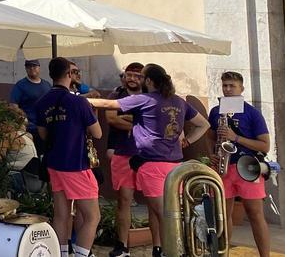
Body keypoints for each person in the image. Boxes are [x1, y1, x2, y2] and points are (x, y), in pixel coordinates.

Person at [87, 63, 211, 257]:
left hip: (152, 163)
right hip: (174, 165)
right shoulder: (178, 101)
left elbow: (108, 106)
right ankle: (169, 250)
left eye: (142, 76)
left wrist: (79, 100)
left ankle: (175, 251)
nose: (139, 79)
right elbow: (203, 124)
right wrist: (187, 141)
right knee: (170, 211)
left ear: (150, 81)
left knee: (164, 214)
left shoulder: (145, 99)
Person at [35, 57, 102, 257]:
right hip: (76, 163)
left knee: (61, 215)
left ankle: (62, 254)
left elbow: (43, 134)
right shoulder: (79, 102)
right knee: (92, 216)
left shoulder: (41, 102)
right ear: (68, 75)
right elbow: (97, 133)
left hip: (54, 163)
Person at [208, 71, 270, 257]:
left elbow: (265, 145)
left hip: (247, 166)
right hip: (223, 167)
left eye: (232, 86)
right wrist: (211, 153)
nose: (227, 89)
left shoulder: (252, 113)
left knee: (255, 214)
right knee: (222, 215)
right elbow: (209, 136)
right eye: (225, 85)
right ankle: (224, 252)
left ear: (241, 89)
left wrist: (236, 138)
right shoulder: (215, 111)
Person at [105, 62, 143, 257]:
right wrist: (138, 124)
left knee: (155, 202)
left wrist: (128, 119)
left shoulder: (150, 96)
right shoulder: (116, 95)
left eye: (137, 76)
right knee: (124, 200)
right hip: (123, 153)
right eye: (129, 75)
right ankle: (122, 246)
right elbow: (111, 119)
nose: (132, 79)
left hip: (148, 155)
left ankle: (159, 247)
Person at [11, 59, 50, 132]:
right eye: (28, 66)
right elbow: (13, 106)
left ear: (39, 67)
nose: (31, 68)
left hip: (47, 127)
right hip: (30, 129)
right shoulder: (20, 85)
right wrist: (23, 120)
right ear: (25, 68)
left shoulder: (47, 85)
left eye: (34, 66)